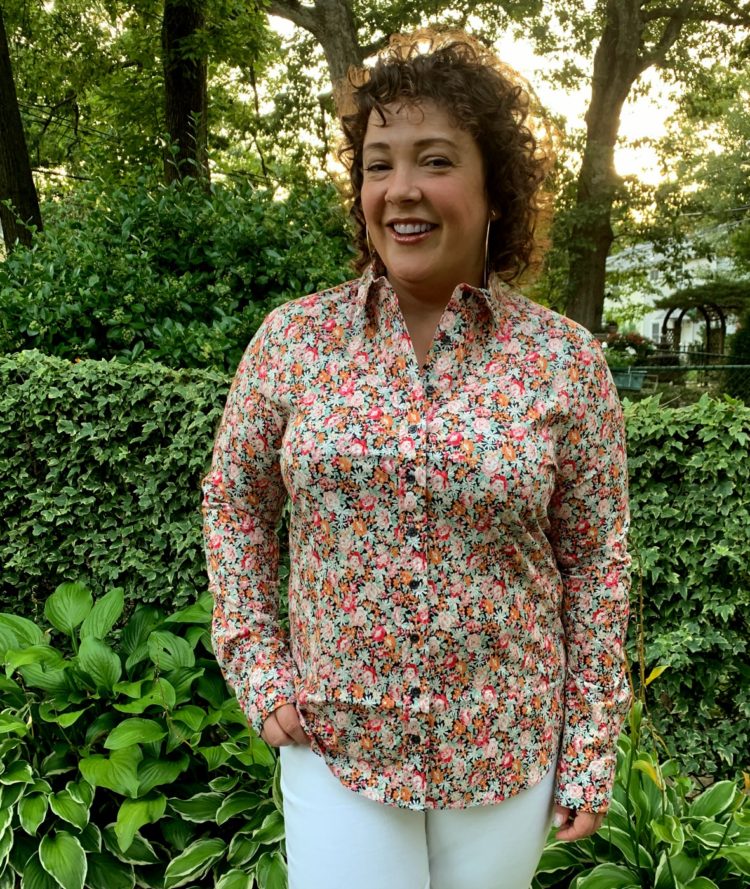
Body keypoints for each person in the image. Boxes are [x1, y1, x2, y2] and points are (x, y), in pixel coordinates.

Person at [201, 29, 631, 889]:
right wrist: (256, 660)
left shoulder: (564, 361)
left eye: (434, 160)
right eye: (377, 164)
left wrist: (589, 742)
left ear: (493, 189)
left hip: (504, 749)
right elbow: (235, 501)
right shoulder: (296, 341)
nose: (401, 190)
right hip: (337, 739)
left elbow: (597, 562)